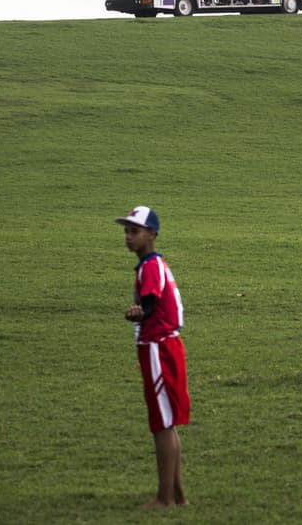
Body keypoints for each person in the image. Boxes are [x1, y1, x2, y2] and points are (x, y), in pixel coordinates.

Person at [117, 205, 190, 509]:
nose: (128, 237)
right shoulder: (152, 264)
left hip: (159, 347)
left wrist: (137, 315)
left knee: (161, 424)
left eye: (134, 231)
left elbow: (149, 307)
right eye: (126, 231)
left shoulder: (150, 266)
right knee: (167, 422)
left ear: (152, 234)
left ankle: (165, 498)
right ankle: (178, 495)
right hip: (161, 346)